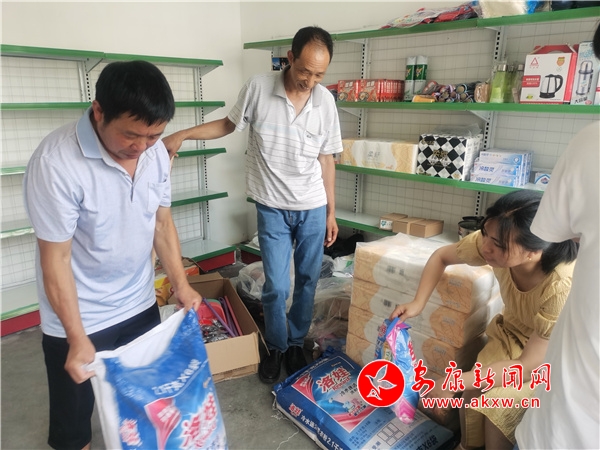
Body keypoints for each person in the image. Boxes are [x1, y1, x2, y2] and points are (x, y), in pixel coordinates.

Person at [24, 60, 203, 450]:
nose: (140, 147)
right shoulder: (56, 163)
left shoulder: (155, 154)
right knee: (73, 429)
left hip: (138, 303)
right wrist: (76, 337)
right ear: (98, 111)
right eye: (130, 135)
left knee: (145, 407)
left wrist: (181, 285)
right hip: (79, 315)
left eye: (154, 135)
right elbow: (55, 259)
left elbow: (161, 224)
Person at [162, 26, 342, 384]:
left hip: (312, 206)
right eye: (304, 70)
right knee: (276, 286)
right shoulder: (259, 88)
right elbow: (228, 125)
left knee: (308, 281)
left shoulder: (325, 102)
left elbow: (327, 159)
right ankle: (275, 345)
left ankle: (295, 343)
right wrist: (183, 134)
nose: (309, 81)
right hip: (271, 206)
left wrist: (331, 211)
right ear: (290, 58)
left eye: (319, 74)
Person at [390, 190, 578, 450]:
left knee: (497, 407)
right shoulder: (496, 242)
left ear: (533, 252)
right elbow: (441, 256)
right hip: (510, 332)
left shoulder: (560, 285)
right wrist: (418, 303)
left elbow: (527, 366)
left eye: (498, 244)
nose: (486, 246)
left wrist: (451, 382)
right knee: (472, 392)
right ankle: (466, 445)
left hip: (548, 354)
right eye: (485, 233)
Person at [514, 24, 600, 450]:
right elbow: (446, 256)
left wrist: (458, 382)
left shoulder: (590, 144)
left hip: (563, 411)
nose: (488, 248)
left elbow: (531, 362)